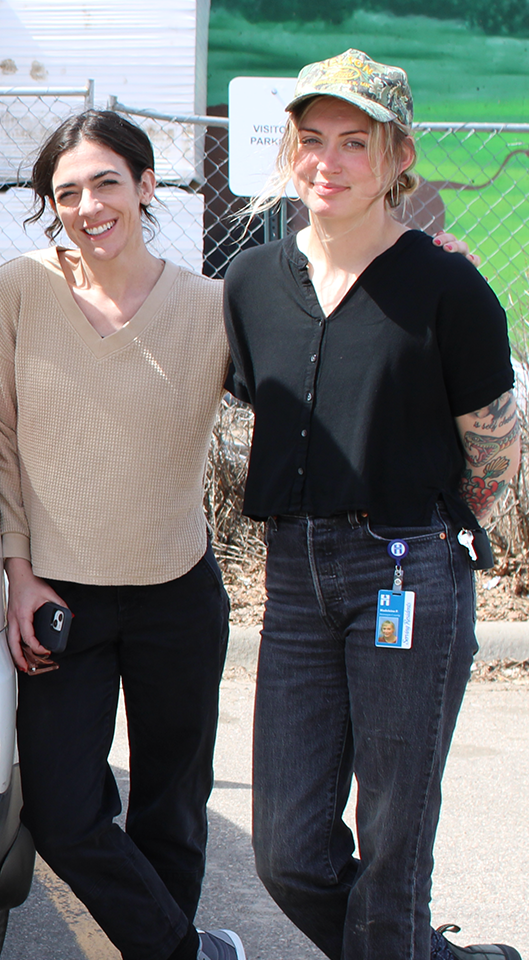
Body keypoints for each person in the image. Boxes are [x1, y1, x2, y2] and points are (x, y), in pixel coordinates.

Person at [224, 50, 522, 960]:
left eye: (355, 142)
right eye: (311, 139)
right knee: (287, 850)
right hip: (297, 577)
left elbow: (495, 444)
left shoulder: (447, 284)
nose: (329, 161)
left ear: (398, 158)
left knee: (394, 841)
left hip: (409, 568)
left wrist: (431, 529)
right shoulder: (249, 283)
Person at [0, 110, 245, 960]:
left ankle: (165, 950)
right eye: (66, 192)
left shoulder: (213, 307)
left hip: (177, 590)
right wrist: (18, 574)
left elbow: (302, 389)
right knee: (61, 810)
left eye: (106, 183)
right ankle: (186, 951)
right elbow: (0, 440)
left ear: (146, 186)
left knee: (172, 806)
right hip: (61, 596)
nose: (88, 206)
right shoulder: (20, 288)